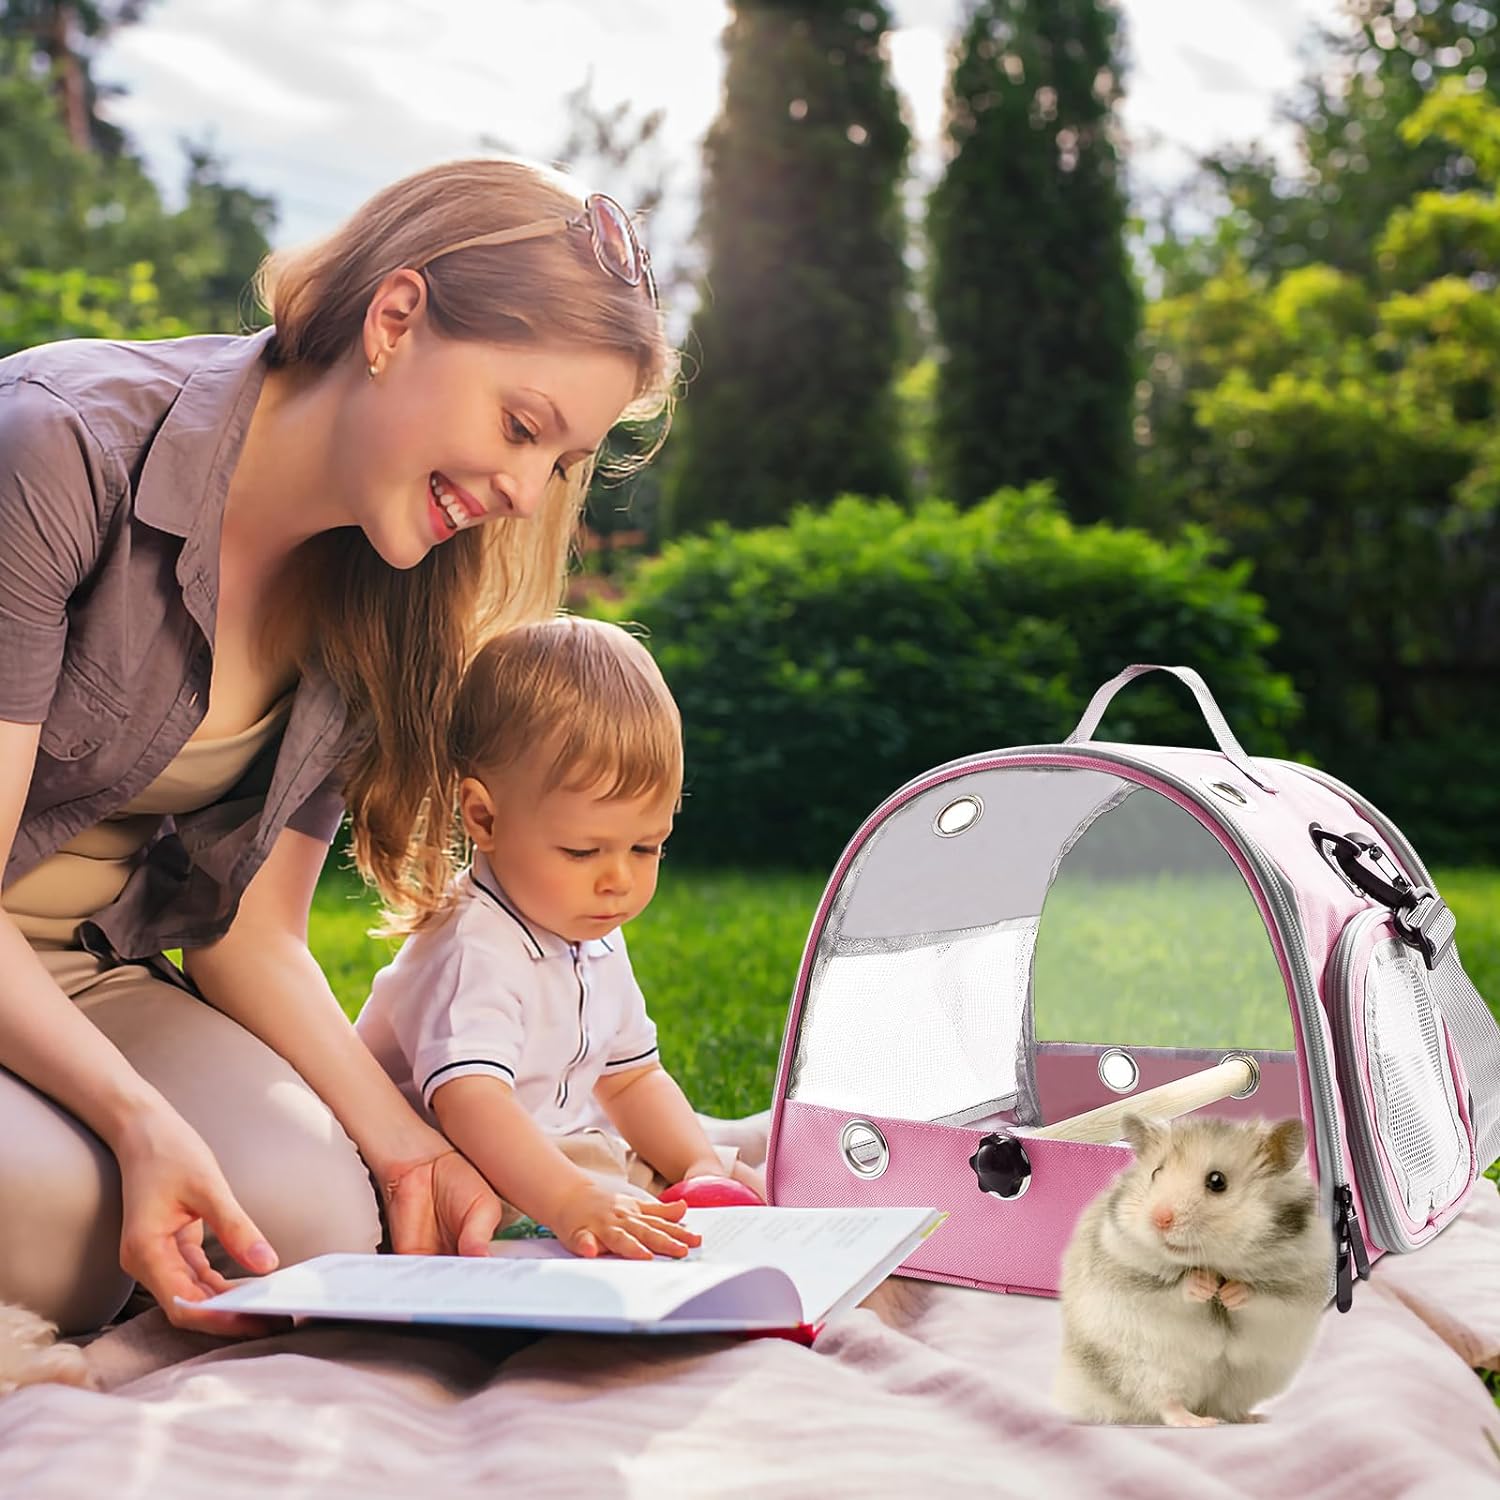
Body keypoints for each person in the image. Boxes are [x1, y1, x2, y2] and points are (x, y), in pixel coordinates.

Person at [0, 159, 676, 1335]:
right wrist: (138, 1118)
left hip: (79, 976)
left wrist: (411, 1151)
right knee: (75, 1203)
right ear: (396, 317)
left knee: (318, 1219)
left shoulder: (390, 592)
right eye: (521, 428)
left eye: (559, 462)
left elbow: (251, 934)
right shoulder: (58, 450)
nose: (525, 491)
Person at [355, 617, 766, 1260]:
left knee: (709, 1163)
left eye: (647, 846)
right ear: (484, 818)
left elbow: (632, 1080)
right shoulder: (474, 947)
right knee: (611, 1201)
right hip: (458, 1166)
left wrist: (699, 1166)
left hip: (552, 1146)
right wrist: (574, 1199)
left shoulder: (586, 929)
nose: (619, 881)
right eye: (582, 851)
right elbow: (471, 1105)